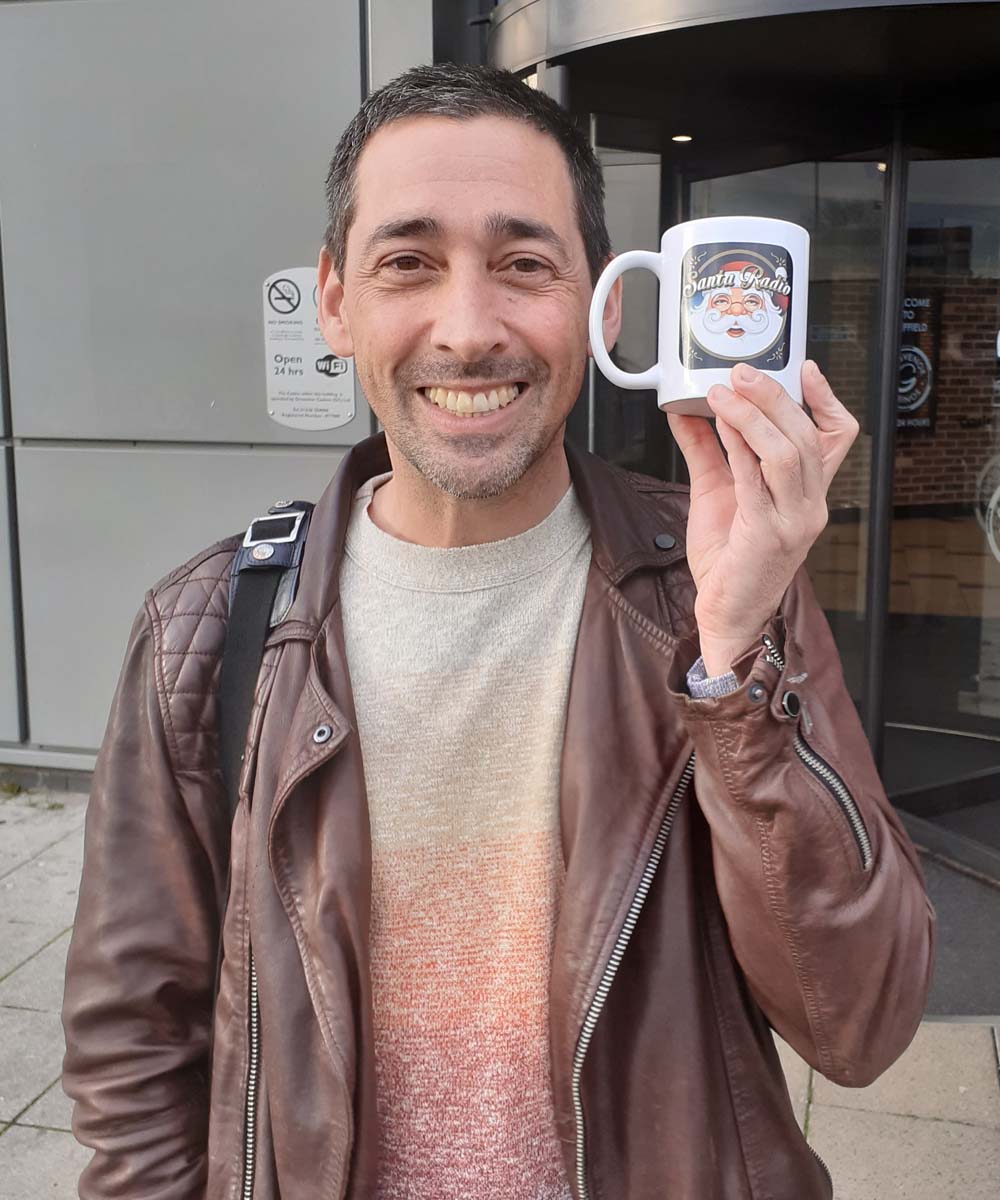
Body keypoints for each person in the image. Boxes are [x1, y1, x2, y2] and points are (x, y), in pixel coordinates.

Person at [61, 63, 936, 1200]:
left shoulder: (714, 592)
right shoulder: (206, 627)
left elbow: (857, 1025)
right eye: (407, 263)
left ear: (602, 306)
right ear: (335, 300)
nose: (468, 331)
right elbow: (135, 1048)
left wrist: (733, 665)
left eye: (524, 265)